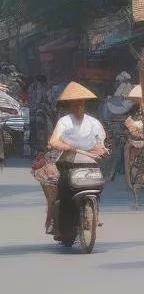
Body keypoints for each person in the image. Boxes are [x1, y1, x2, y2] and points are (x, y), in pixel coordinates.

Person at [33, 82, 108, 234]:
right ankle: (65, 227)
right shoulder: (64, 122)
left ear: (85, 104)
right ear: (70, 105)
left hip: (90, 163)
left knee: (98, 186)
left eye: (81, 103)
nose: (79, 106)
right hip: (68, 163)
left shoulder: (94, 123)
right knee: (66, 194)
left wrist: (102, 150)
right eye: (75, 103)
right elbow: (54, 141)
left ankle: (94, 212)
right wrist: (71, 148)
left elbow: (101, 143)